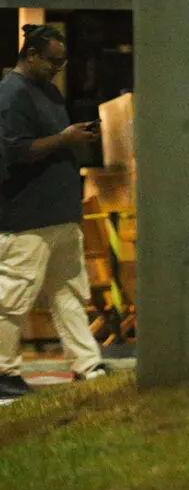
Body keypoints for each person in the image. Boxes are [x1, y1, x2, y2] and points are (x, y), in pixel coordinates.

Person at [0, 25, 109, 403]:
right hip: (27, 215)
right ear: (30, 54)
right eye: (52, 60)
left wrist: (71, 138)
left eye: (62, 62)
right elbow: (15, 151)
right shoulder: (11, 94)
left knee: (69, 293)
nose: (58, 68)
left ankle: (87, 363)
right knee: (12, 297)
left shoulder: (47, 91)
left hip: (59, 212)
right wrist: (66, 138)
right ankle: (3, 369)